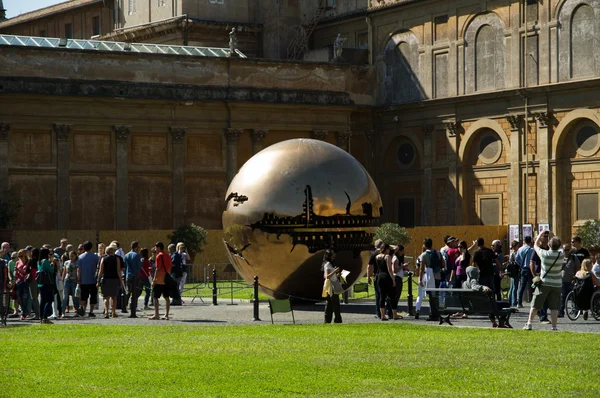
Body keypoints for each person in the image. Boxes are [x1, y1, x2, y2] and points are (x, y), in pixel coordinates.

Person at [523, 231, 563, 331]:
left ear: (549, 244)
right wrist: (553, 234)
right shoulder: (561, 255)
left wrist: (540, 234)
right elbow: (560, 245)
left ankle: (529, 323)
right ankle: (554, 327)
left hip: (544, 282)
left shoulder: (544, 254)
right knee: (554, 307)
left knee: (535, 304)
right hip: (557, 284)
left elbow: (536, 245)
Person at [418, 238, 445, 321]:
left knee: (431, 296)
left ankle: (433, 315)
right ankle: (436, 313)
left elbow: (421, 268)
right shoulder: (438, 253)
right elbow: (443, 264)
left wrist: (420, 279)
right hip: (437, 276)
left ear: (425, 245)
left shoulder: (424, 254)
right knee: (436, 295)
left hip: (430, 276)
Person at [76, 241, 100, 317]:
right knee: (93, 296)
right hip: (93, 279)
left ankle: (82, 308)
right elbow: (98, 268)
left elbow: (78, 270)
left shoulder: (80, 257)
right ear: (91, 247)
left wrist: (79, 279)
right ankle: (91, 311)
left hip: (84, 280)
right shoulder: (95, 257)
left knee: (83, 296)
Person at [149, 242, 172, 320]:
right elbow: (170, 267)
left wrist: (154, 279)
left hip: (159, 279)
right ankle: (166, 315)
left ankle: (156, 314)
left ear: (158, 247)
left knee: (155, 297)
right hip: (166, 279)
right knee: (166, 297)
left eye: (155, 248)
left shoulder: (159, 256)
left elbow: (157, 268)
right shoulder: (168, 256)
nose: (155, 249)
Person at [97, 246, 121, 319]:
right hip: (114, 279)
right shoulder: (117, 259)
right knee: (114, 297)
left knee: (106, 297)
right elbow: (118, 271)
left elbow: (100, 271)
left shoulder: (103, 259)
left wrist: (98, 280)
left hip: (106, 279)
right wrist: (121, 280)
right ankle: (113, 312)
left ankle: (106, 312)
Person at [376, 244, 397, 321]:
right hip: (386, 276)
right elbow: (389, 269)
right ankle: (394, 314)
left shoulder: (377, 256)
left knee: (382, 296)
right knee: (392, 295)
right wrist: (393, 279)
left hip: (379, 276)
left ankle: (382, 315)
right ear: (386, 249)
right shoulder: (387, 256)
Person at [558, 244, 580, 317]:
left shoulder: (574, 258)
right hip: (562, 280)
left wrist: (575, 277)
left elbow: (578, 268)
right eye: (564, 250)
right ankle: (561, 311)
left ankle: (575, 310)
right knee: (562, 296)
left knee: (573, 296)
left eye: (567, 250)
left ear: (570, 250)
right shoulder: (560, 258)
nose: (566, 252)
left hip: (571, 280)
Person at [322, 249, 342, 324]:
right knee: (335, 303)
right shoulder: (327, 264)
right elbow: (327, 276)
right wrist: (335, 271)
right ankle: (337, 319)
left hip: (333, 284)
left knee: (330, 303)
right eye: (333, 254)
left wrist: (337, 275)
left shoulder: (330, 264)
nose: (334, 256)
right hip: (331, 286)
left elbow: (331, 276)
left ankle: (327, 320)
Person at [389, 245, 409, 319]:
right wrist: (403, 266)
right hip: (397, 278)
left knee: (395, 296)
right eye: (402, 251)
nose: (403, 252)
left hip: (398, 278)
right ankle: (393, 313)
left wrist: (404, 268)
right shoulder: (396, 259)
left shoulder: (397, 259)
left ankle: (393, 312)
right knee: (395, 296)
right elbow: (395, 270)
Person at [123, 241, 142, 318]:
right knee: (134, 295)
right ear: (136, 247)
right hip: (135, 276)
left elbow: (124, 267)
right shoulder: (137, 255)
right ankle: (133, 312)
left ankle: (124, 307)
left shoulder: (126, 255)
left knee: (127, 292)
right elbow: (139, 267)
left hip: (128, 276)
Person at [515, 236, 535, 308]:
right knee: (532, 286)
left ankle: (519, 302)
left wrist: (521, 264)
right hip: (530, 269)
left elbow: (517, 260)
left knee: (522, 286)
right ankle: (533, 302)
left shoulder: (520, 249)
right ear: (531, 241)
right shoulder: (532, 250)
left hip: (523, 269)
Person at [37, 248, 55, 324]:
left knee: (42, 300)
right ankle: (45, 317)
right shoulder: (45, 261)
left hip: (40, 283)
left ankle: (41, 318)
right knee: (49, 300)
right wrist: (52, 264)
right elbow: (51, 270)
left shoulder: (39, 262)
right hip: (47, 282)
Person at [367, 239, 384, 318]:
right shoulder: (384, 253)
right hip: (385, 275)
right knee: (385, 295)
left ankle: (378, 313)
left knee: (378, 295)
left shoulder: (373, 254)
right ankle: (387, 311)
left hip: (376, 275)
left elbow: (369, 266)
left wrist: (368, 277)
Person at [61, 250, 80, 317]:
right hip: (67, 280)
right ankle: (63, 312)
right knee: (65, 297)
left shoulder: (77, 263)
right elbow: (64, 271)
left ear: (75, 256)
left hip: (74, 281)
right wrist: (62, 280)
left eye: (72, 256)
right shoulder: (66, 262)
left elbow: (78, 271)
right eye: (70, 256)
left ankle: (77, 311)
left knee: (75, 297)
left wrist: (78, 279)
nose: (71, 257)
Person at [15, 250, 31, 320]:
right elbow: (16, 273)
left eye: (21, 256)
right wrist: (15, 272)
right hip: (18, 282)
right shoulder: (17, 262)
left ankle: (24, 313)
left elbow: (26, 272)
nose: (20, 258)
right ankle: (24, 311)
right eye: (19, 256)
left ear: (25, 255)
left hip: (25, 282)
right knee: (19, 298)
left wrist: (19, 269)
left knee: (25, 298)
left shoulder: (28, 262)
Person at [506, 240, 521, 307]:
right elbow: (515, 262)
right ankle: (514, 301)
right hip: (515, 271)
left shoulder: (512, 253)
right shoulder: (514, 253)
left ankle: (510, 300)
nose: (518, 247)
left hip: (513, 271)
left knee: (512, 287)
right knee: (514, 287)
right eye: (517, 246)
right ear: (514, 247)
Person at [27, 248, 40, 320]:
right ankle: (39, 313)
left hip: (33, 280)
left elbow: (27, 270)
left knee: (34, 298)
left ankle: (37, 314)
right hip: (39, 280)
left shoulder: (31, 260)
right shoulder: (40, 261)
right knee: (37, 298)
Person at [414, 246, 426, 319]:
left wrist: (419, 277)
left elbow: (417, 268)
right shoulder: (429, 255)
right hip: (428, 275)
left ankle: (417, 310)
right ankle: (432, 311)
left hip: (422, 275)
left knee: (420, 295)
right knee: (431, 294)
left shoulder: (419, 257)